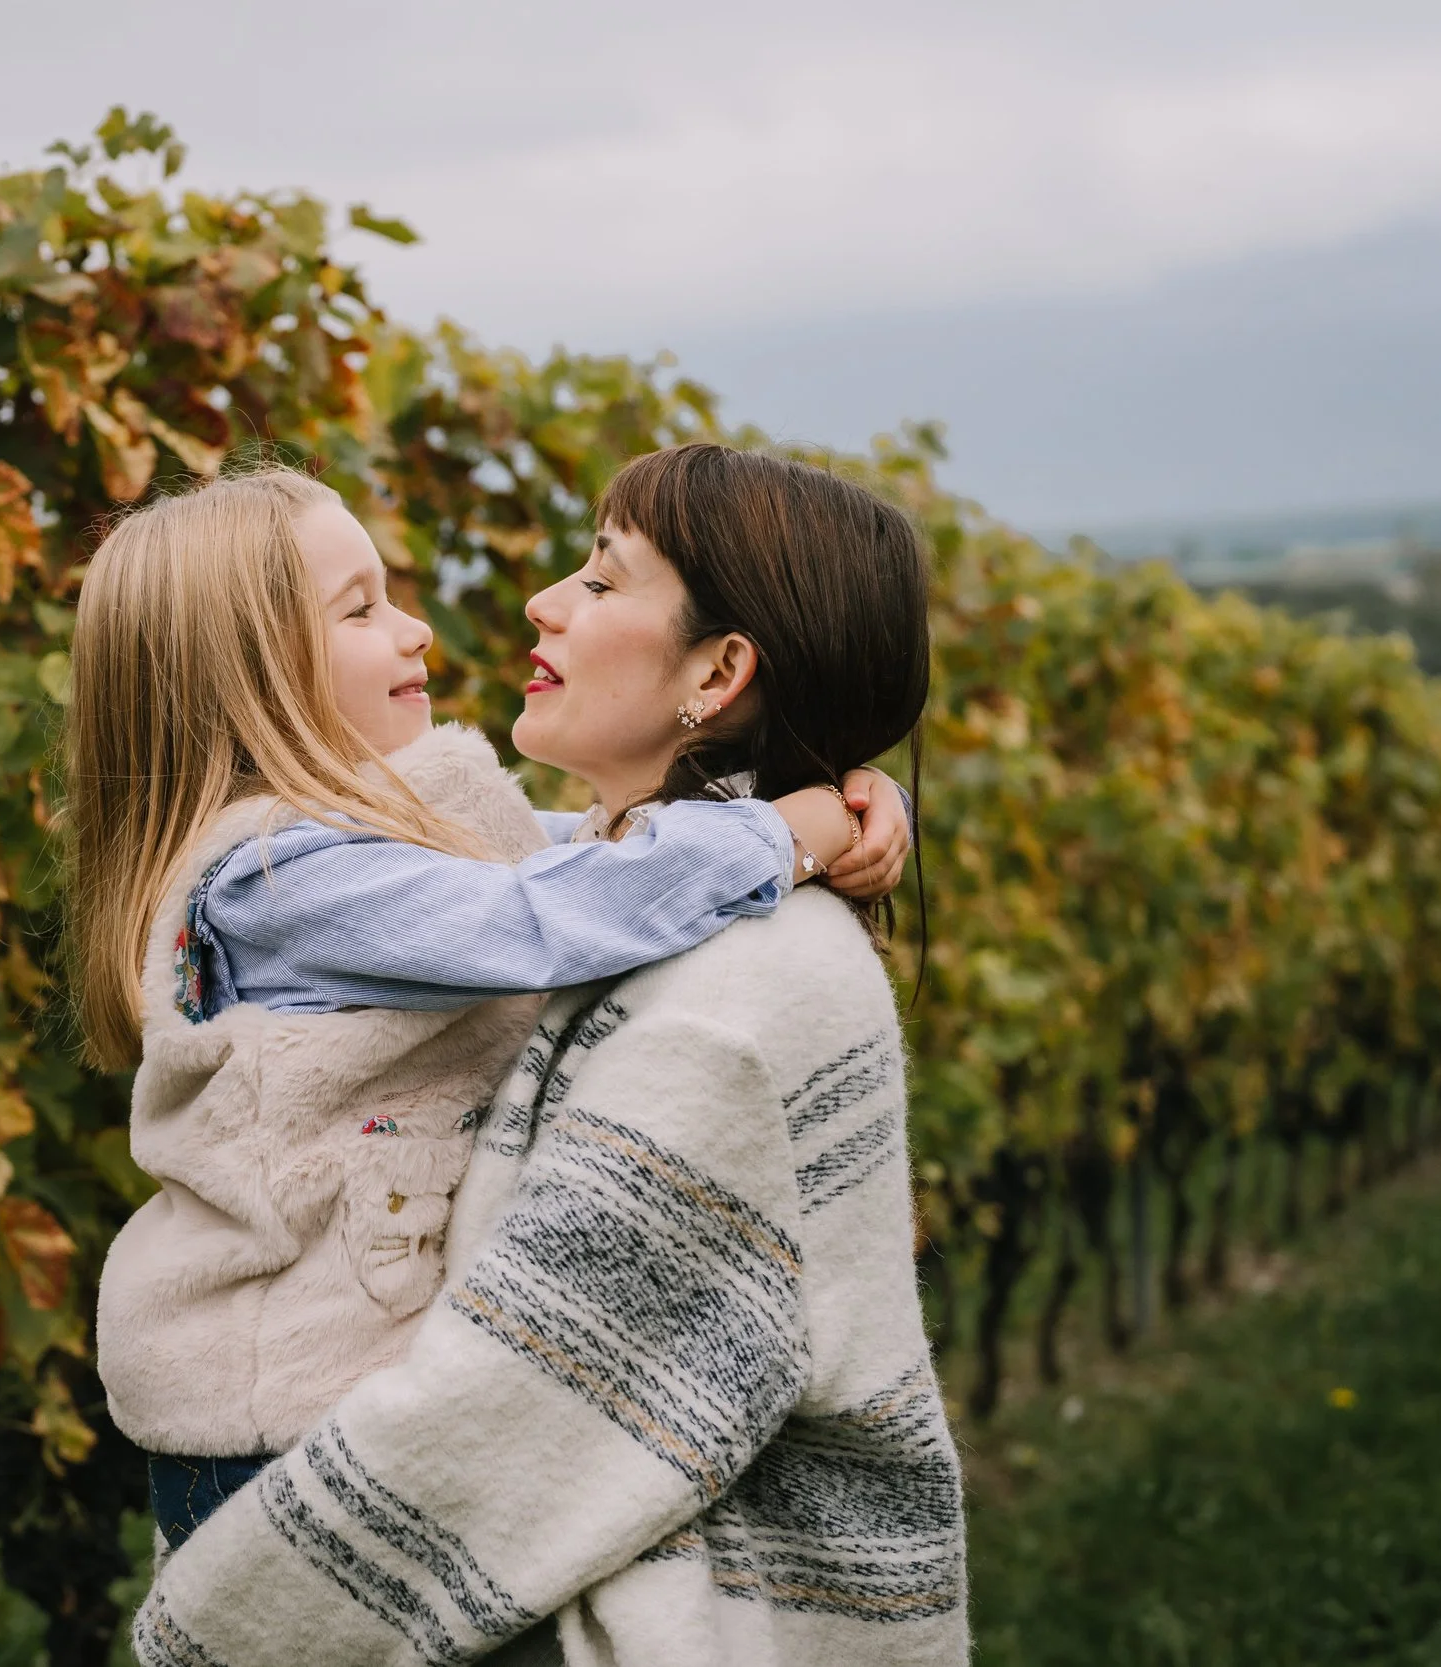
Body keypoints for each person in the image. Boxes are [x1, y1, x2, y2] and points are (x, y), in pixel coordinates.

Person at [130, 443, 965, 1667]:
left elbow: (539, 1394)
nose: (540, 600)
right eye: (358, 608)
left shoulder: (723, 1000)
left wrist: (210, 1632)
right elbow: (543, 893)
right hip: (278, 1441)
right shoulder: (298, 869)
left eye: (603, 577)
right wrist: (793, 819)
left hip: (361, 1541)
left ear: (720, 670)